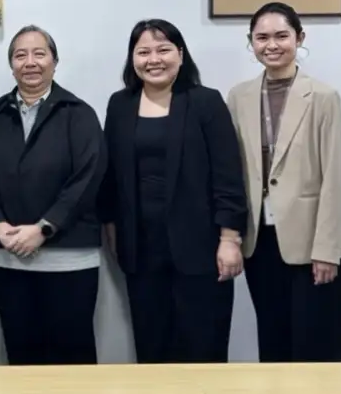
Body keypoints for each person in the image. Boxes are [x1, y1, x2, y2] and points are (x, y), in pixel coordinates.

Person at [98, 19, 247, 364]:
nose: (154, 59)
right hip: (141, 249)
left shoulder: (205, 102)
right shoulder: (120, 105)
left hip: (202, 249)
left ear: (180, 54)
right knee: (152, 348)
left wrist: (230, 239)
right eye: (143, 52)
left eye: (163, 49)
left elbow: (228, 175)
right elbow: (110, 176)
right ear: (132, 58)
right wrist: (112, 231)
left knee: (204, 348)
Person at [0, 25, 107, 365]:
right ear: (11, 65)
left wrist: (44, 228)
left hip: (69, 259)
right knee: (22, 358)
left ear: (54, 62)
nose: (30, 62)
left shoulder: (79, 113)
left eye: (39, 54)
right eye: (20, 55)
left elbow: (87, 179)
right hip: (9, 255)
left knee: (72, 359)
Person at [227, 1, 341, 363]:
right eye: (261, 37)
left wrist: (326, 249)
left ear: (299, 37)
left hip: (312, 241)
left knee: (317, 348)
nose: (271, 45)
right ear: (251, 42)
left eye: (281, 36)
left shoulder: (323, 96)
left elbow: (334, 175)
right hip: (260, 241)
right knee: (273, 344)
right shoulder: (239, 96)